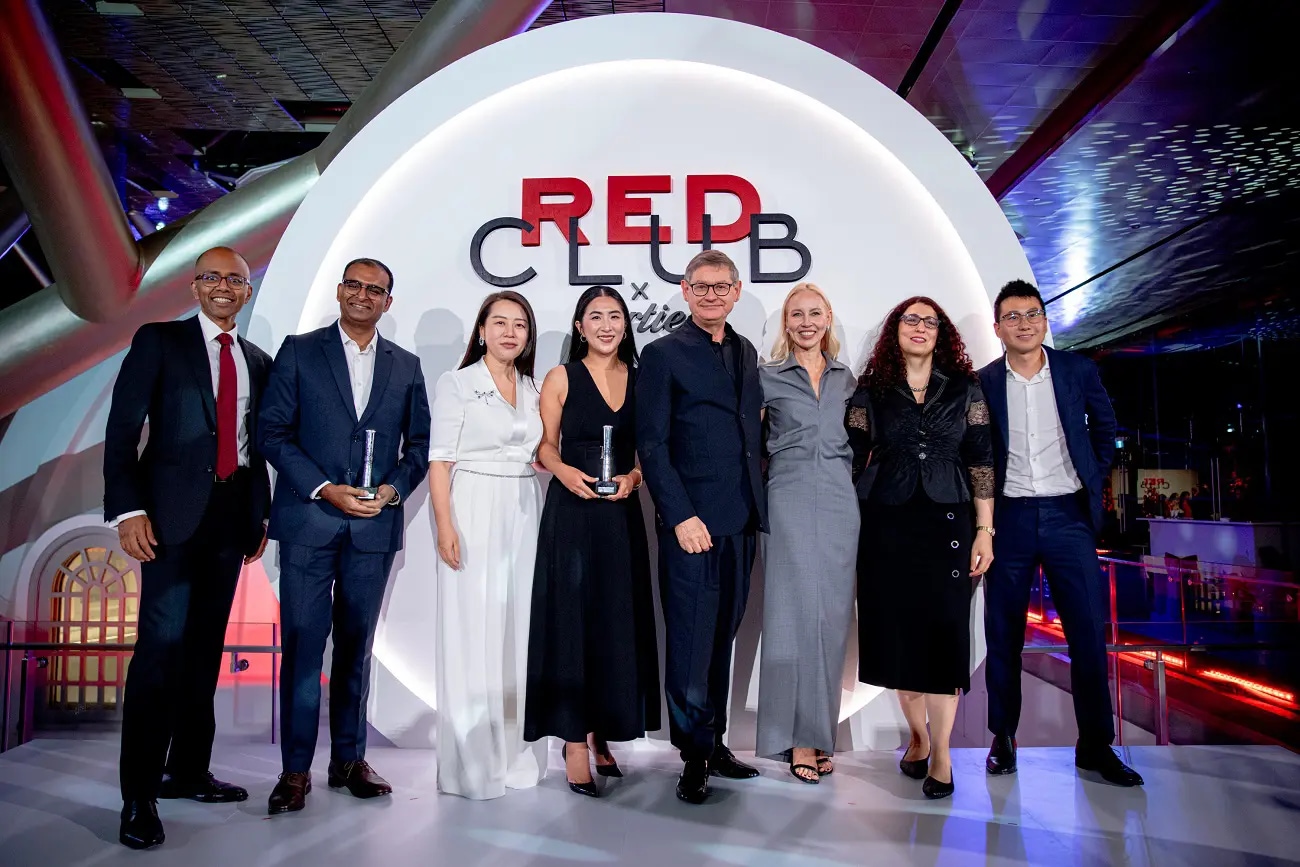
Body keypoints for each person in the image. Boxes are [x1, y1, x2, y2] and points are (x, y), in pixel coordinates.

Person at [104, 246, 272, 849]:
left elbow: (256, 446)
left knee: (204, 652)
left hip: (230, 522)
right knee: (159, 654)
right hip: (168, 522)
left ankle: (190, 771)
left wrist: (259, 516)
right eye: (212, 276)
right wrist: (128, 510)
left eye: (235, 279)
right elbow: (123, 429)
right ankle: (139, 796)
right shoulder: (160, 341)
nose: (224, 286)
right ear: (195, 286)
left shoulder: (258, 359)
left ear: (247, 291)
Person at [259, 257, 431, 813]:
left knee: (356, 649)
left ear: (388, 301)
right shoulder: (299, 351)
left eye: (374, 289)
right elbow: (272, 432)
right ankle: (294, 770)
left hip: (372, 529)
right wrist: (323, 488)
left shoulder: (406, 366)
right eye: (353, 285)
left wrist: (391, 491)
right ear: (339, 291)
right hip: (309, 523)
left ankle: (348, 761)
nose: (362, 295)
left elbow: (419, 447)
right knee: (303, 649)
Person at [978, 279, 1143, 787]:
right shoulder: (984, 381)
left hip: (1068, 516)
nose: (1024, 323)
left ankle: (1095, 745)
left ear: (1045, 321)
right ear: (997, 327)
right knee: (1002, 633)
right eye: (1012, 316)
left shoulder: (1076, 370)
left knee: (1088, 633)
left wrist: (1093, 473)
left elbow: (1105, 428)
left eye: (1032, 314)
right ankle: (1003, 738)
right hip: (1009, 518)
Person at [846, 296, 994, 800]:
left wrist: (985, 529)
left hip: (949, 520)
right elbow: (850, 456)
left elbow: (981, 459)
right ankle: (918, 736)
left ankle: (943, 755)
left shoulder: (965, 388)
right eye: (911, 319)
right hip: (885, 521)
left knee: (944, 638)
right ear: (895, 330)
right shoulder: (871, 390)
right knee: (899, 638)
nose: (920, 328)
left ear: (941, 334)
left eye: (930, 322)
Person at [637, 249, 767, 805]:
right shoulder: (662, 354)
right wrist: (680, 516)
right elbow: (652, 444)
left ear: (735, 292)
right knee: (690, 643)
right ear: (686, 292)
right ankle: (692, 756)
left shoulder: (747, 351)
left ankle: (714, 744)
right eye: (701, 286)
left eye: (722, 286)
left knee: (721, 639)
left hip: (741, 521)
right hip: (691, 526)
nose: (712, 295)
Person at [524, 286, 661, 797]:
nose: (606, 325)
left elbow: (650, 449)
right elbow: (545, 445)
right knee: (572, 623)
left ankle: (603, 729)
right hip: (572, 514)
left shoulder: (642, 378)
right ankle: (574, 742)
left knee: (614, 621)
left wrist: (635, 478)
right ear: (580, 326)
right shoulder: (560, 377)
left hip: (620, 517)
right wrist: (563, 472)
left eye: (615, 316)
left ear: (626, 325)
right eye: (596, 316)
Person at [430, 290, 547, 799]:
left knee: (518, 629)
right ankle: (472, 765)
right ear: (481, 330)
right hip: (473, 505)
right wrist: (445, 526)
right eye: (499, 322)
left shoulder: (535, 387)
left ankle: (516, 757)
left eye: (519, 324)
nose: (509, 332)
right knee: (472, 627)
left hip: (524, 506)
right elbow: (439, 461)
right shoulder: (457, 383)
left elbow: (544, 451)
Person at [754, 283, 857, 783]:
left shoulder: (848, 379)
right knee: (790, 617)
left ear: (828, 317)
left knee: (830, 620)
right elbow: (748, 445)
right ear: (786, 323)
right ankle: (794, 740)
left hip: (840, 500)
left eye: (815, 313)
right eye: (797, 315)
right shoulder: (766, 377)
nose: (807, 322)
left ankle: (819, 735)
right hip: (787, 497)